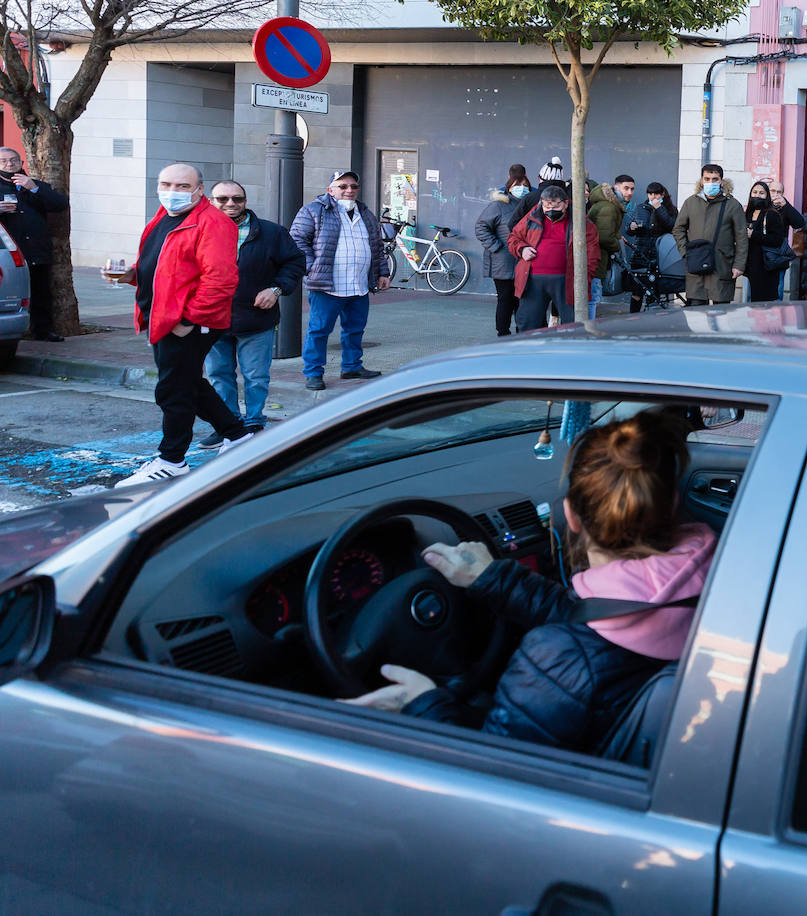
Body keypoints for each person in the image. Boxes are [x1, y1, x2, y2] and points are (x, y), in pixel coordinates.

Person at [345, 409, 718, 757]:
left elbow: (491, 779)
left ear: (570, 515)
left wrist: (422, 704)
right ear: (671, 502)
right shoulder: (722, 577)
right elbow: (602, 621)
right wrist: (497, 580)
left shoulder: (558, 661)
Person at [114, 163, 251, 487]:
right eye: (166, 184)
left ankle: (172, 459)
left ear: (199, 190)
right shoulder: (165, 215)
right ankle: (237, 436)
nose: (172, 192)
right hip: (163, 317)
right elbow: (162, 259)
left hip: (186, 321)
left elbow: (221, 280)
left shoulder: (213, 222)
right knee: (188, 382)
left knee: (173, 388)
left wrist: (188, 319)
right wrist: (133, 274)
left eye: (181, 186)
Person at [195, 180, 305, 448]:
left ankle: (254, 422)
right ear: (210, 200)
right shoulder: (197, 230)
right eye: (222, 199)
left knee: (256, 376)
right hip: (210, 318)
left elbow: (295, 262)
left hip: (255, 319)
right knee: (219, 375)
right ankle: (228, 425)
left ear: (245, 200)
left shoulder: (270, 232)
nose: (230, 204)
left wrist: (275, 289)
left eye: (237, 199)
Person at [290, 169, 390, 391]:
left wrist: (382, 273)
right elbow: (297, 241)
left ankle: (352, 366)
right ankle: (314, 373)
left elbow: (377, 247)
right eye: (343, 186)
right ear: (330, 190)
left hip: (359, 284)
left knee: (355, 329)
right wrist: (312, 267)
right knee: (319, 330)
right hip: (327, 285)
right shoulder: (313, 211)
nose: (349, 190)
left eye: (353, 186)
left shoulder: (366, 213)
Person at [0, 147, 69, 341]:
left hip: (36, 248)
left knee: (41, 292)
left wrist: (34, 188)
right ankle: (9, 329)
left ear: (21, 163)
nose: (9, 164)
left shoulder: (34, 185)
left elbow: (60, 204)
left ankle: (43, 331)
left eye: (13, 160)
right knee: (9, 291)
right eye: (4, 161)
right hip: (6, 253)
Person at [507, 184, 599, 331]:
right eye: (547, 206)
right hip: (532, 280)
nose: (550, 210)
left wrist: (585, 277)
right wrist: (522, 249)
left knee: (573, 325)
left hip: (568, 281)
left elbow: (592, 251)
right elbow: (513, 238)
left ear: (565, 203)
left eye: (555, 206)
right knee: (527, 324)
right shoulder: (533, 216)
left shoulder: (580, 220)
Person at [672, 164, 747, 306]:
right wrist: (685, 252)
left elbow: (741, 237)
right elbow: (678, 229)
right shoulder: (691, 202)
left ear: (722, 181)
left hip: (722, 265)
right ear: (701, 181)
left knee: (721, 314)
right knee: (697, 313)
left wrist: (739, 264)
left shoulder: (732, 205)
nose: (710, 182)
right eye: (707, 179)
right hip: (696, 265)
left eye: (715, 179)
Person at [474, 165, 532, 336]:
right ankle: (503, 333)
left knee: (523, 300)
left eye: (524, 185)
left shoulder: (530, 205)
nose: (522, 189)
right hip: (503, 262)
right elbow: (481, 227)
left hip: (524, 261)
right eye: (517, 185)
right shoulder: (498, 206)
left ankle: (522, 331)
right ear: (509, 187)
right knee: (506, 299)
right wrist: (496, 247)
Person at [622, 181, 677, 313]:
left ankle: (653, 320)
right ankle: (633, 319)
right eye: (650, 193)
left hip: (659, 256)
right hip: (641, 254)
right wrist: (631, 227)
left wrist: (659, 209)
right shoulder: (641, 207)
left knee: (655, 290)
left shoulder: (670, 209)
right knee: (637, 290)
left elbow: (672, 226)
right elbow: (628, 229)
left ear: (662, 194)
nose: (653, 197)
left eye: (656, 194)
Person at [586, 181, 626, 319]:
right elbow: (604, 237)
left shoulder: (600, 205)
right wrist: (617, 245)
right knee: (593, 298)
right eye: (626, 189)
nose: (629, 193)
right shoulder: (609, 208)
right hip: (597, 258)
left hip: (595, 257)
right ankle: (588, 329)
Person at [744, 180, 788, 303]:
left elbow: (777, 240)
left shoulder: (771, 214)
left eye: (761, 193)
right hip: (751, 264)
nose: (757, 195)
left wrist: (754, 235)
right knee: (752, 301)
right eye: (755, 192)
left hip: (766, 265)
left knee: (766, 303)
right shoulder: (748, 213)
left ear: (767, 196)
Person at [768, 180, 805, 299]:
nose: (776, 194)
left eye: (779, 192)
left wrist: (786, 206)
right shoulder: (762, 205)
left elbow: (799, 223)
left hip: (779, 254)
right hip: (762, 253)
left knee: (777, 291)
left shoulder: (785, 207)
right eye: (773, 191)